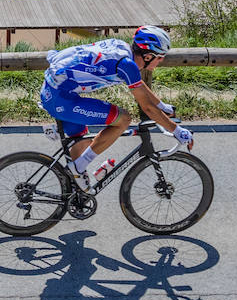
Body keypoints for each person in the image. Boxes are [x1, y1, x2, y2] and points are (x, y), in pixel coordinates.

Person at [39, 25, 191, 190]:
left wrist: (162, 106)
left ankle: (75, 193)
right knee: (123, 119)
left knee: (82, 141)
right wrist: (177, 130)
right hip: (61, 98)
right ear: (148, 56)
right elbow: (147, 108)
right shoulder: (127, 65)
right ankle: (78, 168)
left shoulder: (121, 48)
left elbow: (138, 85)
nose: (162, 61)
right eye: (160, 57)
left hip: (55, 91)